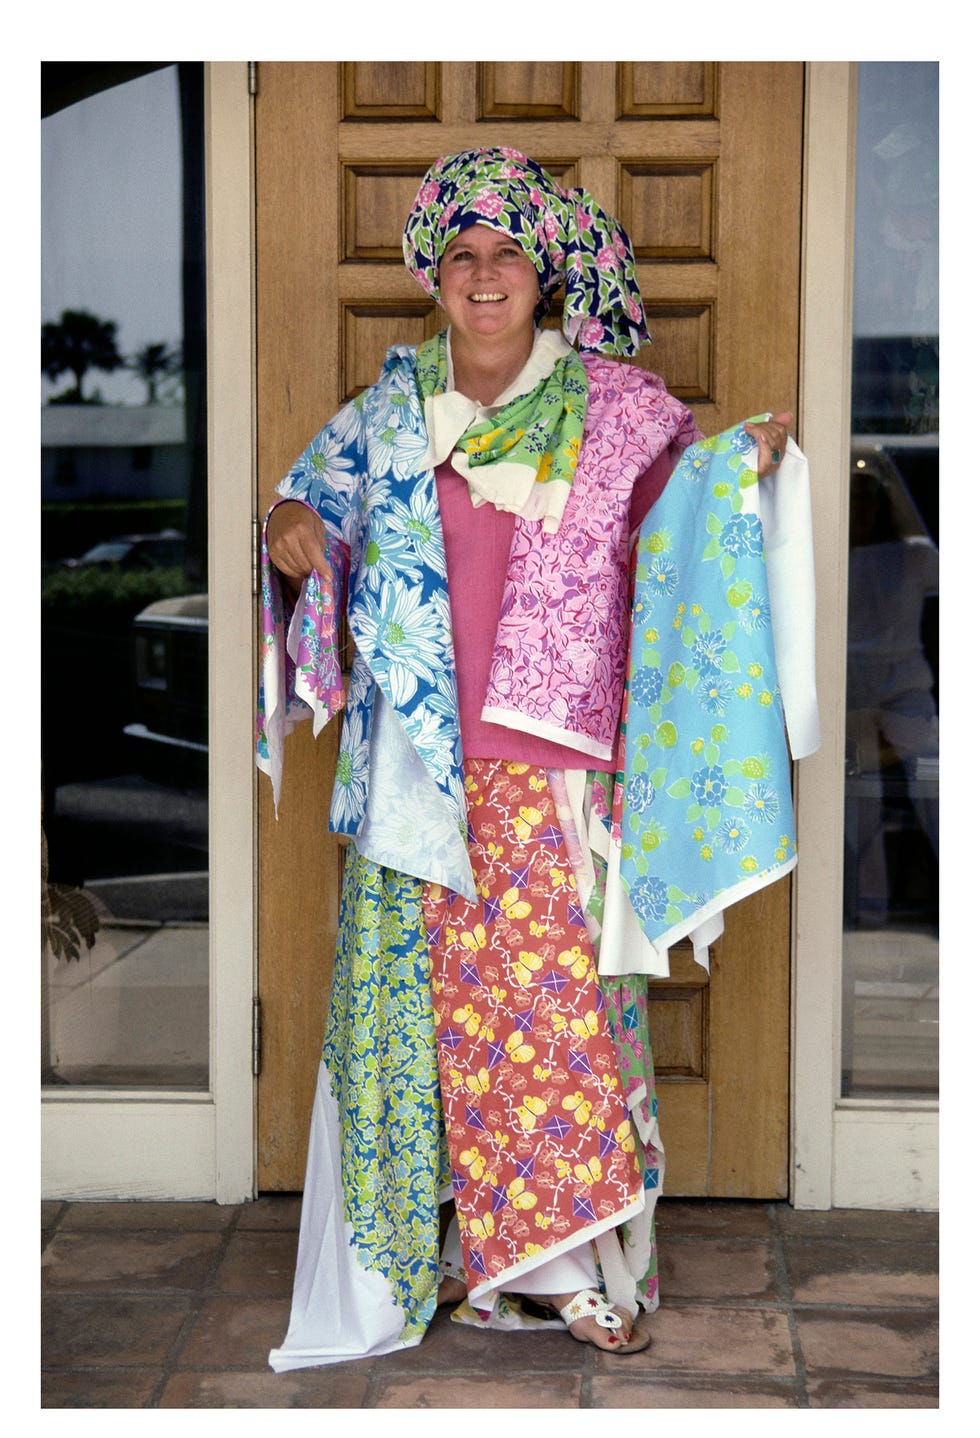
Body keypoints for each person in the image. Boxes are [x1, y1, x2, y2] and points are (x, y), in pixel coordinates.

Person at [257, 146, 793, 1372]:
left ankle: (574, 1273)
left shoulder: (619, 410)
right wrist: (284, 526)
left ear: (541, 277)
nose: (483, 275)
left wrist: (736, 471)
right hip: (420, 772)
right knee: (430, 1022)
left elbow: (682, 536)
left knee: (553, 1025)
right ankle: (444, 1253)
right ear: (433, 279)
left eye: (506, 255)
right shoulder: (389, 417)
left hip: (557, 770)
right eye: (461, 256)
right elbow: (310, 523)